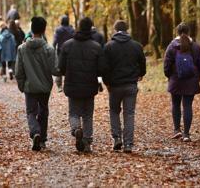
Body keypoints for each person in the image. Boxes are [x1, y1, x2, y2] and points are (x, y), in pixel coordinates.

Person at [58, 17, 108, 153]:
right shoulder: (96, 47)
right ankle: (87, 142)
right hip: (89, 86)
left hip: (72, 85)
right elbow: (101, 69)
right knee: (87, 115)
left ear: (78, 27)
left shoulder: (67, 45)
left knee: (74, 112)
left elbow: (60, 68)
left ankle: (76, 129)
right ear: (91, 28)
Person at [103, 20, 146, 153]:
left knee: (114, 111)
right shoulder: (136, 46)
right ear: (127, 30)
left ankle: (117, 139)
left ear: (115, 30)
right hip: (131, 85)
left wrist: (107, 82)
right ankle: (128, 144)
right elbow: (142, 63)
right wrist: (140, 74)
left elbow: (105, 67)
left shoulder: (109, 46)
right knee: (129, 114)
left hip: (115, 86)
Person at [15, 17, 57, 151]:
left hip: (30, 87)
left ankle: (35, 132)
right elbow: (55, 69)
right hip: (45, 87)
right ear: (44, 30)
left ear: (31, 29)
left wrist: (22, 85)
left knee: (31, 112)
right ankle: (42, 139)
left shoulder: (22, 49)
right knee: (43, 111)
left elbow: (18, 71)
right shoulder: (49, 49)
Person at [163, 23, 200, 142]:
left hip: (175, 80)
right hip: (191, 80)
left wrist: (169, 76)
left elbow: (166, 64)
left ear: (177, 32)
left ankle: (177, 130)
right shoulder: (195, 47)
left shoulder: (172, 46)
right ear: (189, 32)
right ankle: (186, 134)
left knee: (175, 104)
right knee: (187, 106)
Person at [53, 15, 74, 92]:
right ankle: (69, 84)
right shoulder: (72, 29)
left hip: (60, 51)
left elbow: (55, 41)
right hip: (70, 51)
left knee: (59, 68)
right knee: (69, 67)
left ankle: (59, 86)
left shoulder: (58, 30)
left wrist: (53, 47)